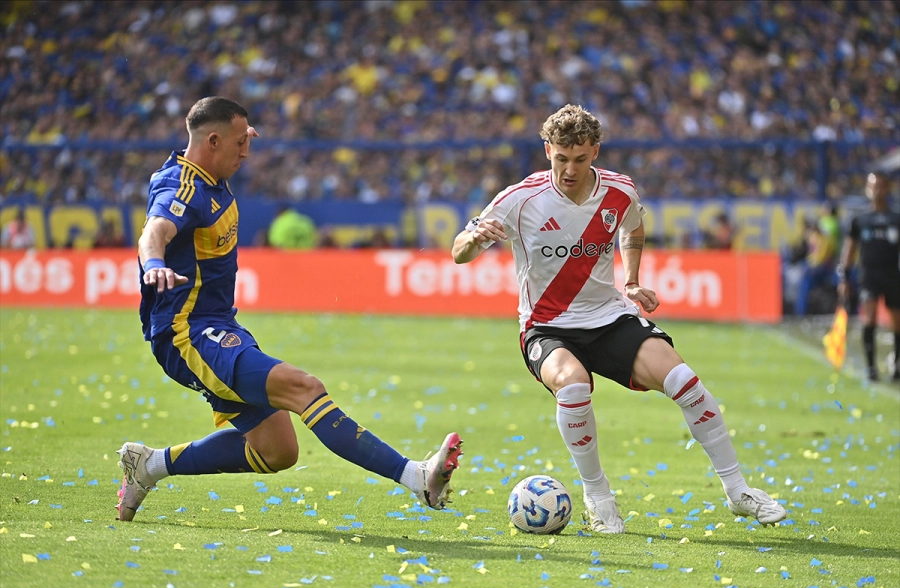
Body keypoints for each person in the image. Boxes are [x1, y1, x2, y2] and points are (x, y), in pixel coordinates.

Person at [118, 97, 462, 522]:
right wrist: (153, 263)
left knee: (278, 451)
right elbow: (155, 231)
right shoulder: (182, 187)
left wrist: (238, 133)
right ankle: (417, 477)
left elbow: (205, 165)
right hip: (187, 334)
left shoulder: (208, 173)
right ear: (212, 140)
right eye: (240, 143)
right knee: (304, 388)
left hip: (219, 326)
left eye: (249, 139)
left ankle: (148, 465)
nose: (246, 151)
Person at [451, 104, 786, 533]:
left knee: (685, 381)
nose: (569, 169)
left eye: (580, 159)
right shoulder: (520, 199)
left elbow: (634, 229)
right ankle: (598, 498)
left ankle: (738, 492)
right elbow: (459, 252)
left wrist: (630, 280)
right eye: (561, 158)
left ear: (595, 151)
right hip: (547, 325)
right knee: (572, 386)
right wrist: (475, 238)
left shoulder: (620, 192)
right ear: (547, 149)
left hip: (608, 317)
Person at [836, 171, 900, 382]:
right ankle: (871, 367)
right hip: (869, 275)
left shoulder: (896, 218)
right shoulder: (860, 220)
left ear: (887, 189)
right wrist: (844, 277)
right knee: (869, 316)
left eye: (881, 186)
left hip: (893, 274)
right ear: (867, 189)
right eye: (874, 186)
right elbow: (849, 249)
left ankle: (897, 365)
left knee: (896, 321)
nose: (877, 190)